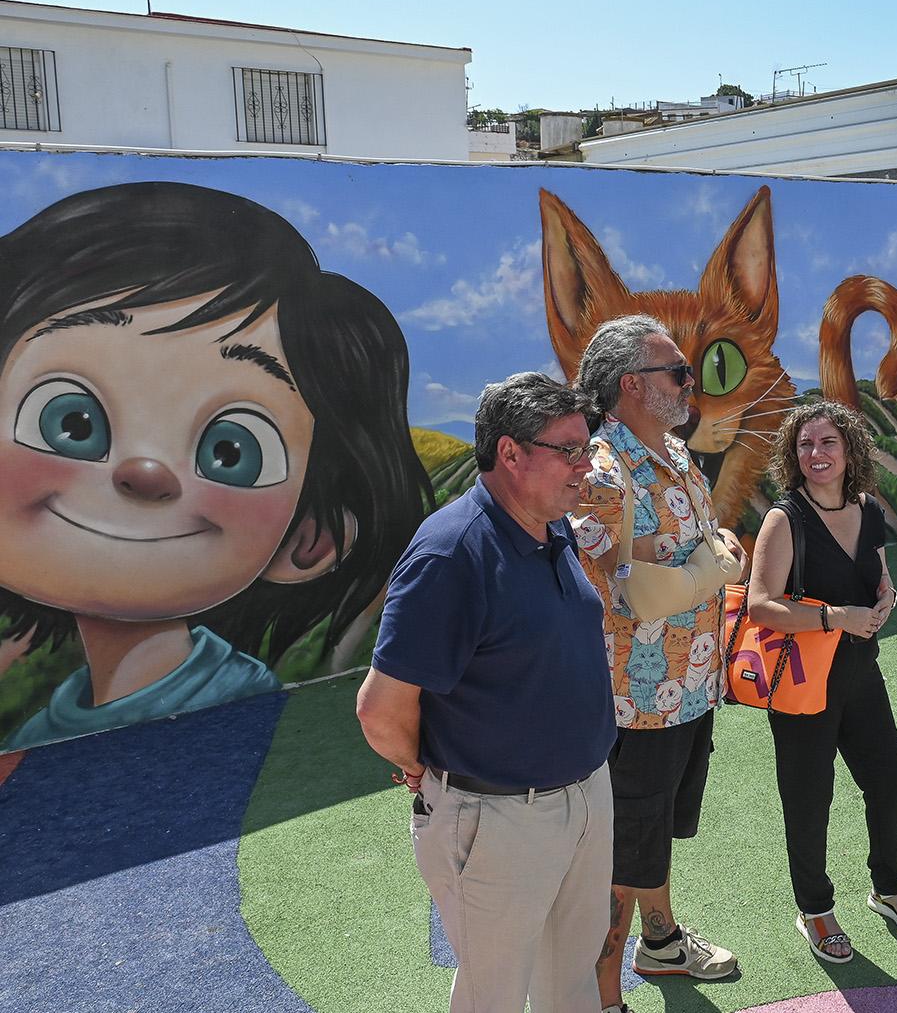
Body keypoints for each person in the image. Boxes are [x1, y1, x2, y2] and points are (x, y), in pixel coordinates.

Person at [0, 182, 431, 751]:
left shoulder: (232, 722)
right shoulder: (52, 727)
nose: (145, 471)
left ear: (310, 539)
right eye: (71, 421)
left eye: (231, 452)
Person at [356, 373, 615, 1013]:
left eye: (588, 448)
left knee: (572, 980)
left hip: (584, 797)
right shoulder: (453, 554)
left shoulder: (550, 526)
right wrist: (429, 772)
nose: (586, 467)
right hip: (498, 820)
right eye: (570, 450)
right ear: (510, 453)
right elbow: (381, 710)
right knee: (492, 996)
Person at [571, 315, 744, 1007]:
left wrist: (703, 561)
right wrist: (711, 566)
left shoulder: (672, 451)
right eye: (677, 372)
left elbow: (701, 550)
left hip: (690, 687)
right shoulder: (603, 470)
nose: (689, 381)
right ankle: (604, 993)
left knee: (654, 834)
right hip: (636, 701)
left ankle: (663, 941)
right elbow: (618, 585)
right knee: (621, 855)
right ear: (632, 384)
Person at [745, 400, 897, 963]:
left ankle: (888, 887)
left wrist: (886, 597)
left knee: (888, 779)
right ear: (793, 456)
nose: (816, 454)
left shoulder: (867, 508)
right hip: (803, 684)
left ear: (849, 451)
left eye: (827, 443)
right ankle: (815, 909)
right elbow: (760, 606)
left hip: (860, 674)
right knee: (808, 799)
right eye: (805, 445)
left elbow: (878, 573)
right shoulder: (785, 518)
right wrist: (834, 617)